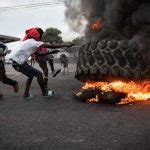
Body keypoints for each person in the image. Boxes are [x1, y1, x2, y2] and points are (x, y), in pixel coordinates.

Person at [9, 27, 73, 99]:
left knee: (30, 76)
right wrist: (65, 45)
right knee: (39, 74)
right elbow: (51, 46)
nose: (41, 37)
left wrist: (51, 52)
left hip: (16, 63)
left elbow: (39, 54)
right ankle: (44, 93)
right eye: (41, 35)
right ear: (38, 35)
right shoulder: (34, 42)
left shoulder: (28, 42)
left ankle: (26, 94)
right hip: (19, 63)